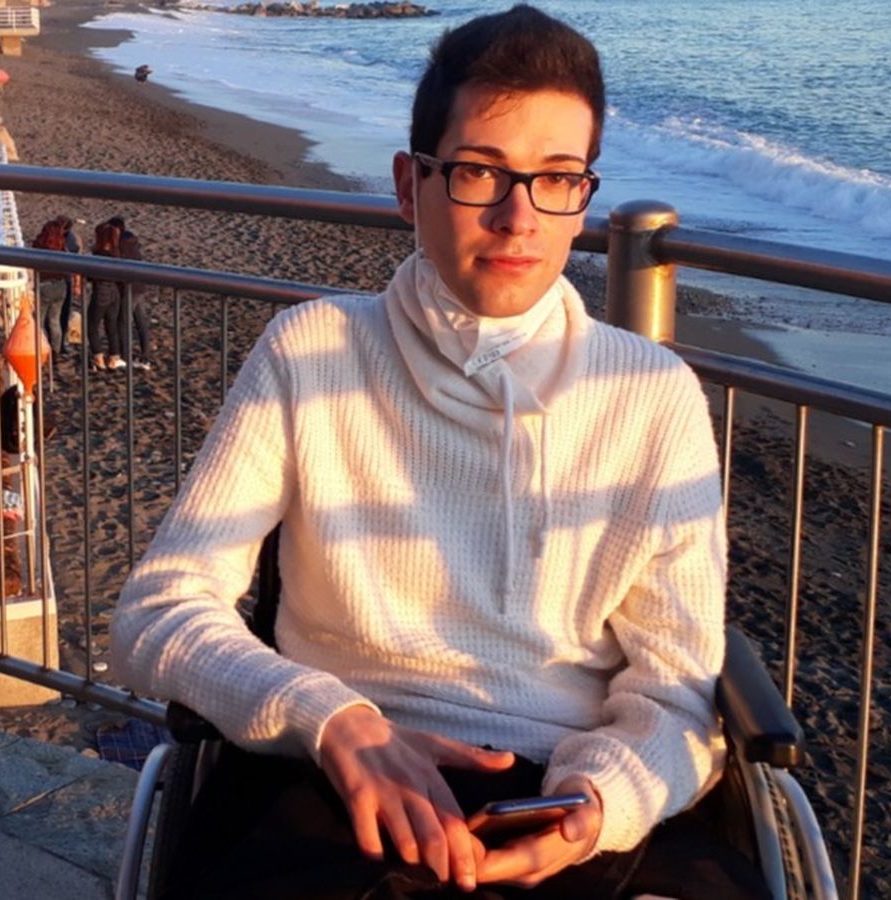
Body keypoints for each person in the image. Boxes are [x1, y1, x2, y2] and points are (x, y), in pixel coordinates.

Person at [111, 6, 766, 898]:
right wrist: (330, 720)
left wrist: (598, 802)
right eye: (477, 172)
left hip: (568, 794)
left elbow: (675, 692)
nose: (517, 217)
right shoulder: (313, 353)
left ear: (584, 197)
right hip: (333, 774)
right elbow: (157, 614)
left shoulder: (651, 396)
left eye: (556, 178)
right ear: (408, 184)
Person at [108, 215, 154, 370]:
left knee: (123, 321)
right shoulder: (132, 241)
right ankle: (145, 356)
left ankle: (125, 355)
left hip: (130, 287)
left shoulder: (120, 244)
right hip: (140, 285)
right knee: (141, 321)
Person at [87, 222, 126, 371]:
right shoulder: (117, 253)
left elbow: (90, 275)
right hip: (114, 291)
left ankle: (98, 357)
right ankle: (114, 357)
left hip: (101, 290)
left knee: (92, 325)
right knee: (111, 325)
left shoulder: (98, 254)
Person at [31, 219, 68, 355]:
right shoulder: (62, 246)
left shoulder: (39, 245)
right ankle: (55, 351)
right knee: (54, 321)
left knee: (39, 322)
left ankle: (42, 350)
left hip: (44, 285)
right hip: (60, 285)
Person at [56, 215, 83, 357]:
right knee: (63, 313)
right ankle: (60, 344)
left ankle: (56, 344)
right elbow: (77, 265)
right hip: (64, 279)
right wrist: (77, 283)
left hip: (50, 278)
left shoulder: (49, 235)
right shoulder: (74, 240)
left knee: (53, 316)